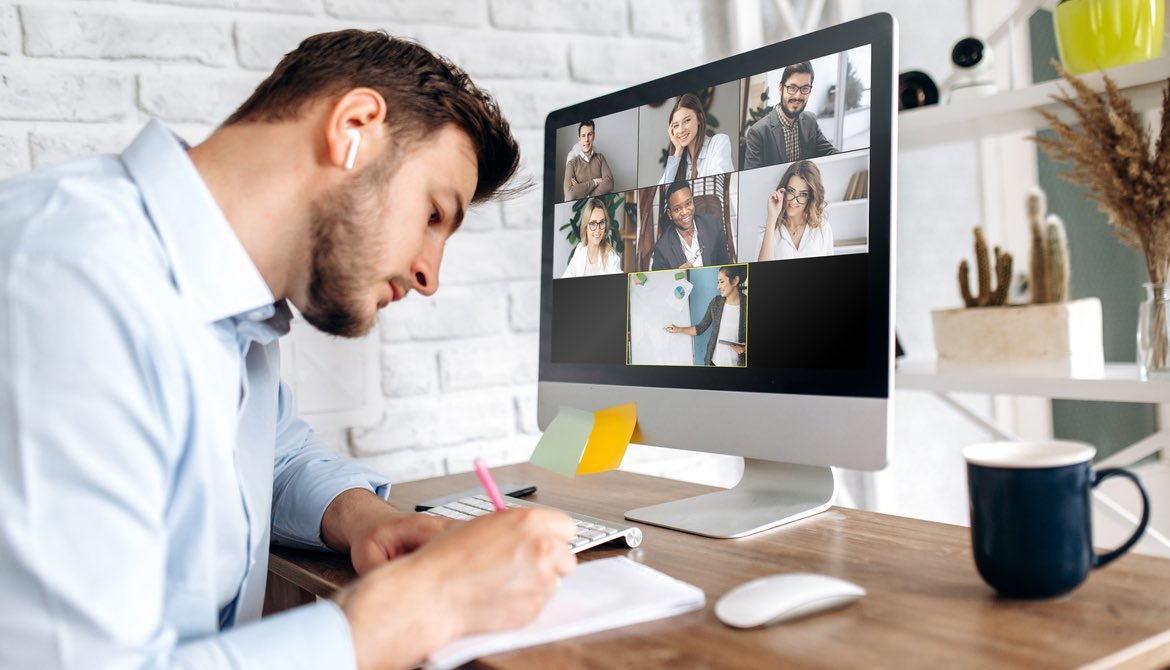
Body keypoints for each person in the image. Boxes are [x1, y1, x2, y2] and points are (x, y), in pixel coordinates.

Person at [0, 29, 579, 670]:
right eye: (434, 214)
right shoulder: (69, 280)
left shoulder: (228, 310)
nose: (429, 276)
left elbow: (269, 456)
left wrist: (363, 518)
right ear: (353, 127)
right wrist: (424, 604)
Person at [744, 61, 838, 170]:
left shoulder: (811, 121)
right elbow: (751, 179)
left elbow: (830, 152)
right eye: (792, 88)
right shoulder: (757, 133)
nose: (798, 96)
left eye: (805, 89)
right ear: (781, 89)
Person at [664, 265, 747, 366]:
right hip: (713, 363)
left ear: (735, 281)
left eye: (722, 282)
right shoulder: (716, 302)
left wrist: (745, 348)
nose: (718, 287)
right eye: (718, 282)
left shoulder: (748, 305)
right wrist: (678, 329)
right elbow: (700, 328)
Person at [758, 160, 834, 261]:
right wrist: (772, 218)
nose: (794, 201)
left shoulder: (823, 228)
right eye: (790, 191)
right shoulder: (768, 230)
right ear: (783, 190)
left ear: (811, 197)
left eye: (803, 194)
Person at [651, 181, 730, 271]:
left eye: (688, 203)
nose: (685, 212)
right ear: (670, 214)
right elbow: (660, 282)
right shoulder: (662, 249)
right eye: (677, 209)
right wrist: (676, 275)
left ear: (693, 202)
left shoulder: (713, 225)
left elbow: (726, 266)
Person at [657, 92, 733, 184]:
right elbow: (662, 194)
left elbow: (718, 185)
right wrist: (678, 151)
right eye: (676, 125)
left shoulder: (719, 142)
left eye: (687, 120)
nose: (681, 130)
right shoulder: (681, 161)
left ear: (699, 119)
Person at [562, 198, 623, 277]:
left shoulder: (612, 257)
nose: (598, 229)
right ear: (585, 226)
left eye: (601, 222)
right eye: (593, 223)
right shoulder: (580, 249)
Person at [563, 120, 614, 201]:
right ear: (579, 139)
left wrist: (583, 192)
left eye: (589, 134)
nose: (586, 139)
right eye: (583, 136)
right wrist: (596, 182)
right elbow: (570, 195)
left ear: (594, 136)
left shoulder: (600, 158)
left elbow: (609, 183)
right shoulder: (572, 164)